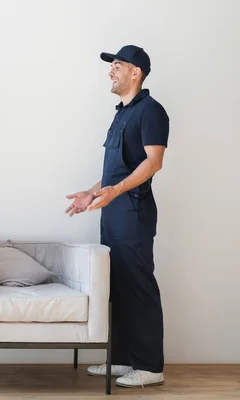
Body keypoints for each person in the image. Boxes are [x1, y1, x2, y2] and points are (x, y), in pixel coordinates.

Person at [65, 45, 169, 388]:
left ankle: (150, 367)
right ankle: (124, 359)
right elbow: (114, 172)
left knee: (139, 287)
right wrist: (91, 193)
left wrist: (116, 190)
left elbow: (153, 162)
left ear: (135, 72)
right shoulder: (121, 113)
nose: (111, 71)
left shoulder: (151, 111)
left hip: (133, 213)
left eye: (117, 66)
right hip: (112, 211)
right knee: (118, 285)